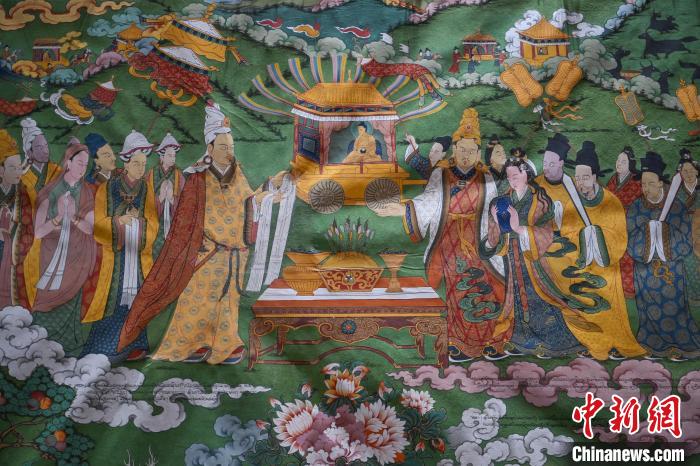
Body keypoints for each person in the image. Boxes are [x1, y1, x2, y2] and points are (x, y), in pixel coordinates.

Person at [117, 101, 280, 365]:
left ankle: (227, 345)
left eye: (231, 147)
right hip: (208, 251)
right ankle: (190, 344)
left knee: (229, 301)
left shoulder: (236, 172)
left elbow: (246, 201)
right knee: (198, 298)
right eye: (223, 147)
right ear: (210, 148)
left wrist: (268, 190)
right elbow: (202, 217)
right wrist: (255, 205)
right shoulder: (199, 178)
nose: (229, 152)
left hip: (233, 253)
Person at [377, 108, 507, 362]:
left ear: (478, 153)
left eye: (472, 151)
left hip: (478, 242)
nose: (466, 155)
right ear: (454, 150)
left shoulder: (487, 177)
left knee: (489, 288)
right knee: (456, 290)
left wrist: (495, 237)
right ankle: (459, 342)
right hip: (448, 241)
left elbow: (493, 211)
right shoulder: (440, 173)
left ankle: (493, 340)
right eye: (462, 150)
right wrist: (405, 208)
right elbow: (429, 201)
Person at [481, 158, 583, 358]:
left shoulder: (540, 200)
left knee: (541, 298)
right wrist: (495, 225)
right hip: (512, 259)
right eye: (509, 177)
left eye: (515, 175)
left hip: (535, 260)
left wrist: (520, 228)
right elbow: (494, 238)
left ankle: (555, 344)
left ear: (526, 174)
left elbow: (547, 232)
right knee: (519, 300)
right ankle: (521, 341)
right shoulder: (503, 200)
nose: (512, 180)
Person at [557, 141, 645, 360]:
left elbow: (619, 235)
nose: (581, 183)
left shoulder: (610, 201)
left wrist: (596, 234)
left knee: (609, 309)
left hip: (606, 267)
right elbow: (567, 234)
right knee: (583, 306)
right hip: (582, 268)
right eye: (578, 178)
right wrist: (582, 237)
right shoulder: (572, 204)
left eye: (585, 177)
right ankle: (592, 344)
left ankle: (616, 344)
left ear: (595, 177)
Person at [80, 130, 158, 363]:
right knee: (113, 298)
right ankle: (104, 347)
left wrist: (139, 223)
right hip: (114, 258)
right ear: (126, 162)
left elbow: (153, 224)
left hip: (138, 257)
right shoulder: (108, 187)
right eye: (136, 163)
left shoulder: (146, 189)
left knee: (137, 298)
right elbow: (99, 223)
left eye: (143, 164)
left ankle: (136, 345)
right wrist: (120, 221)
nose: (140, 168)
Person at [627, 151, 700, 360]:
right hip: (644, 270)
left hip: (672, 270)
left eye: (651, 183)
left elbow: (685, 242)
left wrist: (663, 230)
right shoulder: (636, 208)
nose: (646, 188)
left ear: (661, 183)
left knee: (674, 308)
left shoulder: (676, 207)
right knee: (648, 310)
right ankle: (652, 346)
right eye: (643, 184)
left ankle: (682, 345)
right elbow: (630, 239)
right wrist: (649, 229)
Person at [31, 139, 96, 357]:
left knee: (71, 302)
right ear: (68, 162)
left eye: (86, 164)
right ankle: (38, 346)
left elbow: (90, 229)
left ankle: (70, 350)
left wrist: (74, 217)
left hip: (76, 259)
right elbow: (38, 233)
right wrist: (58, 218)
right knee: (46, 298)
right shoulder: (51, 191)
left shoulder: (86, 193)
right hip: (51, 257)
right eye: (79, 163)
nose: (83, 168)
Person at [0, 130, 33, 309]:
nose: (19, 172)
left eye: (19, 167)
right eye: (13, 168)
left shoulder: (22, 191)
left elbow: (28, 220)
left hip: (13, 246)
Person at [606, 146, 642, 298]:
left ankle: (630, 290)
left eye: (623, 161)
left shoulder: (636, 182)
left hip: (630, 226)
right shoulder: (613, 180)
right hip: (613, 225)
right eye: (618, 160)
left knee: (628, 258)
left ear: (630, 164)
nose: (619, 163)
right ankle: (615, 287)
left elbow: (640, 205)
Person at [148, 133, 184, 258]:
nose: (173, 158)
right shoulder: (151, 175)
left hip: (174, 222)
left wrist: (172, 199)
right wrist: (161, 198)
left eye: (174, 156)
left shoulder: (179, 176)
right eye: (169, 155)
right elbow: (145, 201)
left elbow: (186, 201)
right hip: (155, 223)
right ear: (161, 156)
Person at [20, 117, 61, 208]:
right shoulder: (22, 176)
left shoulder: (56, 169)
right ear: (29, 152)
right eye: (39, 147)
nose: (45, 151)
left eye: (46, 146)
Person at [676, 148, 699, 308]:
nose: (689, 173)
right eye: (685, 171)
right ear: (680, 174)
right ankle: (694, 296)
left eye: (691, 170)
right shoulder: (677, 193)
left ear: (697, 171)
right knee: (689, 262)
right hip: (685, 232)